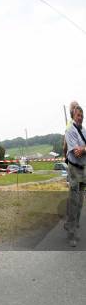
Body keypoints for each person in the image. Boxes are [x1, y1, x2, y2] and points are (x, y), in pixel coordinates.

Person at [64, 105, 85, 247]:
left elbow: (81, 151)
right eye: (78, 115)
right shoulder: (69, 130)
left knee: (81, 200)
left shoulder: (84, 130)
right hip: (73, 169)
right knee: (74, 200)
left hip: (83, 170)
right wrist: (83, 149)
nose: (81, 117)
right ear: (73, 116)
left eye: (82, 115)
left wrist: (83, 149)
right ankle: (71, 233)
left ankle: (72, 224)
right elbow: (76, 153)